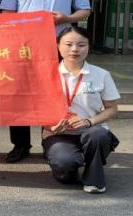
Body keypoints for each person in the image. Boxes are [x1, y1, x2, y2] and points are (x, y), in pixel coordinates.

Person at [0, 0, 92, 163]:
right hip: (24, 47)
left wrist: (66, 18)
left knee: (55, 94)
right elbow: (7, 12)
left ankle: (51, 141)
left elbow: (85, 10)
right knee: (20, 96)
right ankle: (20, 145)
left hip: (59, 46)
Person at [44, 26, 120, 194]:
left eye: (81, 45)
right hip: (58, 133)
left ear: (89, 47)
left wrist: (89, 122)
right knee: (64, 166)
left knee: (98, 135)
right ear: (58, 46)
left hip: (92, 131)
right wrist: (50, 126)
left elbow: (112, 109)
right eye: (68, 44)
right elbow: (36, 109)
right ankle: (69, 166)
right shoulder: (46, 74)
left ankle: (94, 179)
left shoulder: (101, 74)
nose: (74, 49)